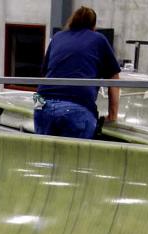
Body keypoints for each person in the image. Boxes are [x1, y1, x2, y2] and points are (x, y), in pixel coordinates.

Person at [34, 6, 121, 139]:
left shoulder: (58, 37)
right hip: (76, 106)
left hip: (41, 103)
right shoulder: (98, 39)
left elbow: (44, 73)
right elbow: (114, 77)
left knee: (44, 157)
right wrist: (112, 115)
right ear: (93, 25)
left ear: (72, 20)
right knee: (75, 158)